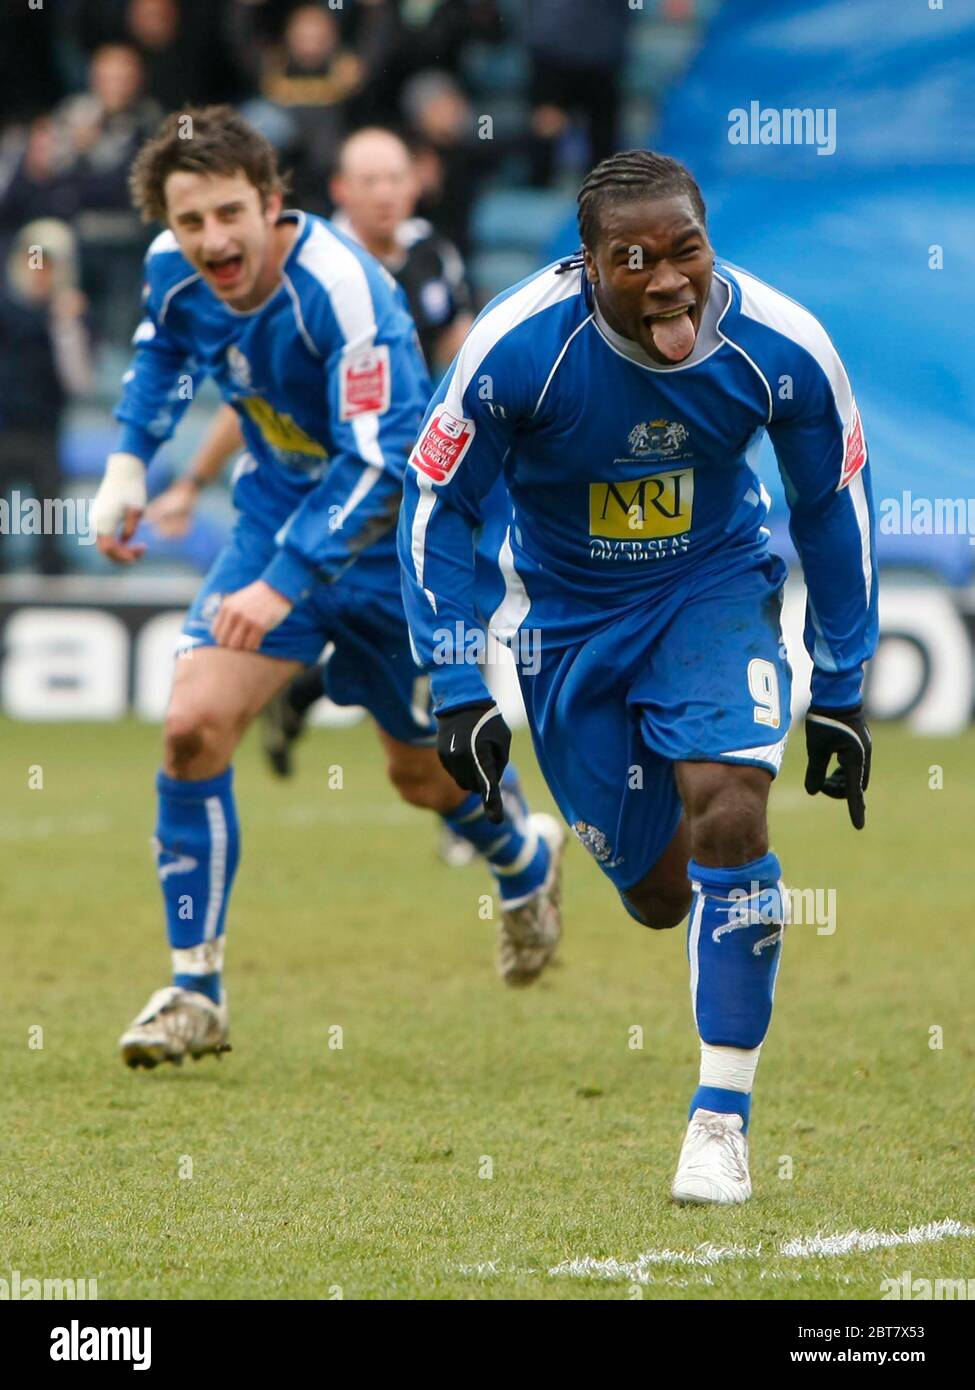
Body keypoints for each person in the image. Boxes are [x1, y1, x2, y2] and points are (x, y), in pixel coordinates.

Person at [397, 149, 878, 1204]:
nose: (669, 279)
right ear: (587, 264)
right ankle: (560, 856)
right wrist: (460, 682)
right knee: (662, 895)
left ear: (713, 240)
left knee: (732, 811)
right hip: (566, 626)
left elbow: (831, 506)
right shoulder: (517, 351)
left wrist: (842, 684)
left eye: (687, 250)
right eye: (635, 258)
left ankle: (720, 1120)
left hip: (713, 591)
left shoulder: (782, 348)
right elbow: (439, 507)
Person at [90, 107, 565, 1071]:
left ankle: (523, 859)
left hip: (401, 545)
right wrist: (130, 464)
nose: (214, 241)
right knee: (190, 728)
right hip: (276, 521)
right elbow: (162, 358)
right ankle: (197, 992)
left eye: (231, 214)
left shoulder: (342, 291)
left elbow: (384, 461)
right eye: (191, 224)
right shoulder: (170, 271)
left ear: (273, 203)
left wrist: (282, 586)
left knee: (420, 776)